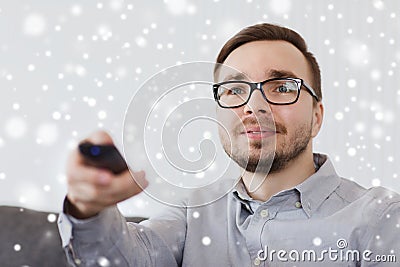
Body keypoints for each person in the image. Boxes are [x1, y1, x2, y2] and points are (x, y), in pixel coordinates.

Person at [58, 23, 399, 266]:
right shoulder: (191, 214)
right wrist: (88, 210)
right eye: (235, 90)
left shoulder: (382, 218)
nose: (255, 107)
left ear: (316, 117)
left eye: (281, 87)